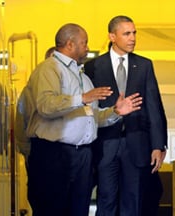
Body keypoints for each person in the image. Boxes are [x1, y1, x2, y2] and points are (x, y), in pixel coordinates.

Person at [24, 23, 142, 216]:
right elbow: (46, 105)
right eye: (84, 43)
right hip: (55, 154)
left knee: (79, 209)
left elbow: (91, 117)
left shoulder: (82, 77)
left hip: (82, 156)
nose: (87, 48)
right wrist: (83, 98)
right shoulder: (49, 69)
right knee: (52, 209)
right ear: (70, 44)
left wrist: (115, 112)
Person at [84, 15, 168, 216]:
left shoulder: (145, 65)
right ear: (112, 36)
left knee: (133, 200)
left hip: (136, 144)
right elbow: (88, 109)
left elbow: (154, 106)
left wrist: (158, 145)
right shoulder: (93, 67)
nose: (132, 38)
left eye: (134, 33)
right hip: (105, 145)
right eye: (127, 33)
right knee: (106, 199)